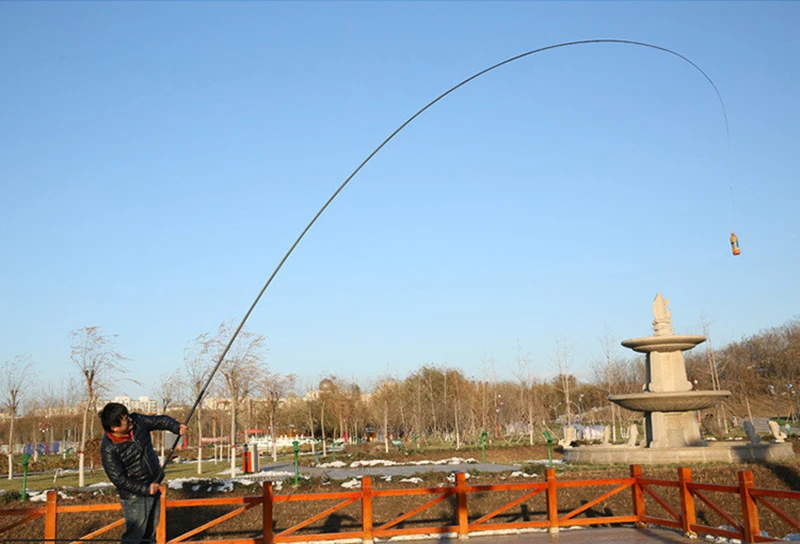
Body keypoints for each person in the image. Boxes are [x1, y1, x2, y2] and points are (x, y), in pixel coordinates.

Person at [100, 402, 187, 543]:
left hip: (154, 484)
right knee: (134, 537)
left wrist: (176, 427)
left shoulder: (138, 421)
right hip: (134, 496)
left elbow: (159, 421)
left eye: (128, 417)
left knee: (149, 534)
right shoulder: (109, 449)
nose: (130, 421)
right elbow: (119, 479)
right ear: (114, 428)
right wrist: (146, 489)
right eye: (126, 421)